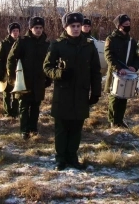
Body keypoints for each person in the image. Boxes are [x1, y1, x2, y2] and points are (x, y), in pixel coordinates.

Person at [43, 12, 101, 171]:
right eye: (72, 26)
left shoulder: (89, 45)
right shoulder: (57, 45)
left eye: (78, 26)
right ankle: (60, 158)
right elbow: (47, 67)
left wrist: (96, 92)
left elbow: (96, 70)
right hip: (63, 92)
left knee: (76, 127)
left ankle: (72, 157)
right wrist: (59, 74)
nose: (76, 29)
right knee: (61, 127)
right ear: (65, 27)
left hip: (81, 93)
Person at [7, 17, 51, 140]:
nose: (38, 30)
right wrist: (13, 76)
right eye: (36, 28)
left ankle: (33, 128)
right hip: (24, 80)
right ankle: (24, 130)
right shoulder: (22, 42)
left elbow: (49, 62)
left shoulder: (46, 44)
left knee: (36, 105)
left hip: (39, 80)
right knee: (24, 105)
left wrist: (48, 78)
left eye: (40, 28)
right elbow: (11, 58)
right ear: (30, 28)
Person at [104, 14, 139, 128]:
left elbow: (137, 56)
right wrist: (119, 68)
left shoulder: (131, 41)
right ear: (119, 26)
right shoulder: (111, 39)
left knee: (124, 97)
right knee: (114, 97)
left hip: (128, 73)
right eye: (125, 25)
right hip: (116, 73)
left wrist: (134, 67)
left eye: (129, 24)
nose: (128, 26)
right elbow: (108, 56)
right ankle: (113, 121)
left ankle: (120, 119)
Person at [0, 22, 21, 118]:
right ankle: (7, 112)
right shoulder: (4, 43)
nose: (15, 33)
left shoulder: (21, 42)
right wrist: (0, 73)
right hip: (6, 72)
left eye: (17, 31)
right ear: (10, 32)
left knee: (17, 92)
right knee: (6, 93)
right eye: (14, 31)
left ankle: (15, 112)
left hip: (17, 72)